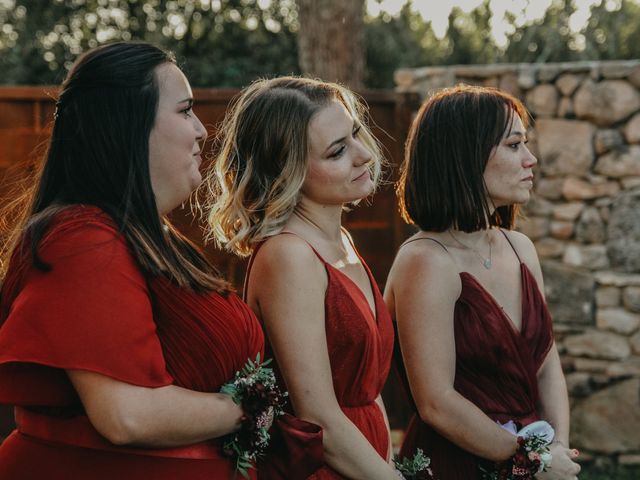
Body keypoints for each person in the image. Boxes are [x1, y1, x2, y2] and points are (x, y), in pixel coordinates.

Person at [0, 42, 264, 479]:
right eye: (184, 111)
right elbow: (127, 415)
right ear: (128, 125)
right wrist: (247, 407)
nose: (201, 130)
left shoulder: (150, 236)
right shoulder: (82, 242)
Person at [385, 84, 582, 480]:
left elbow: (546, 366)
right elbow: (436, 402)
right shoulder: (425, 261)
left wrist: (556, 447)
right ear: (465, 155)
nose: (531, 159)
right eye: (514, 146)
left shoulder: (520, 246)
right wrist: (531, 460)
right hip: (458, 463)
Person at [205, 76, 398, 479]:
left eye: (356, 134)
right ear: (287, 172)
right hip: (324, 466)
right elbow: (319, 417)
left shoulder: (341, 238)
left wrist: (390, 463)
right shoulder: (288, 255)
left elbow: (366, 389)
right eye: (337, 151)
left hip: (368, 460)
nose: (363, 155)